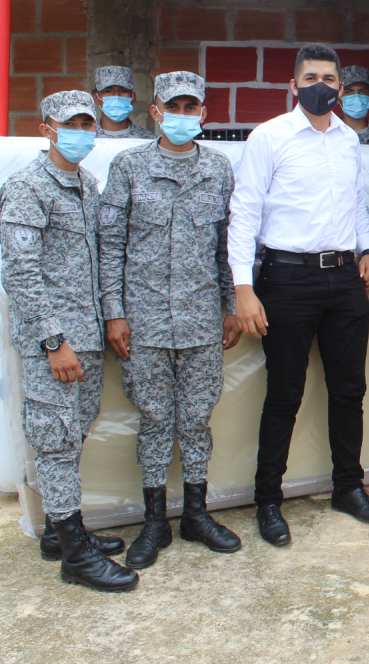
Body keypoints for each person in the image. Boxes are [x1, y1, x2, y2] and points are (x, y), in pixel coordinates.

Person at [229, 44, 369, 546]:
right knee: (284, 395)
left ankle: (349, 487)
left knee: (349, 391)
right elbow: (245, 214)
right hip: (287, 279)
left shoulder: (347, 141)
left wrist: (367, 250)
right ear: (294, 86)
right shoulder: (269, 137)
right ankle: (268, 501)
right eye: (311, 76)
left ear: (340, 88)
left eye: (329, 78)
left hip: (344, 278)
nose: (321, 85)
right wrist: (242, 290)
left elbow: (355, 207)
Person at [99, 71, 243, 569]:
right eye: (174, 106)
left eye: (192, 107)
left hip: (203, 317)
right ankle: (155, 520)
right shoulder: (129, 166)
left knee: (198, 418)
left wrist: (231, 305)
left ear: (203, 113)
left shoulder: (220, 169)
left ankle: (197, 515)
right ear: (156, 111)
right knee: (156, 419)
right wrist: (114, 314)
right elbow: (110, 247)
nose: (184, 115)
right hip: (144, 322)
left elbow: (229, 246)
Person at [0, 90, 137, 592]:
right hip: (54, 343)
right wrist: (53, 342)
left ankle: (61, 531)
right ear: (47, 128)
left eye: (88, 121)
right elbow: (22, 272)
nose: (83, 129)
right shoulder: (27, 188)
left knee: (74, 431)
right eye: (71, 121)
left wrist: (108, 320)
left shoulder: (88, 185)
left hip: (89, 337)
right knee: (56, 439)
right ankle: (75, 555)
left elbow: (100, 261)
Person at [91, 66, 155, 140]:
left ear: (133, 97)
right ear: (96, 98)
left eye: (123, 90)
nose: (116, 95)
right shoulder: (88, 139)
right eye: (108, 91)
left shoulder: (147, 139)